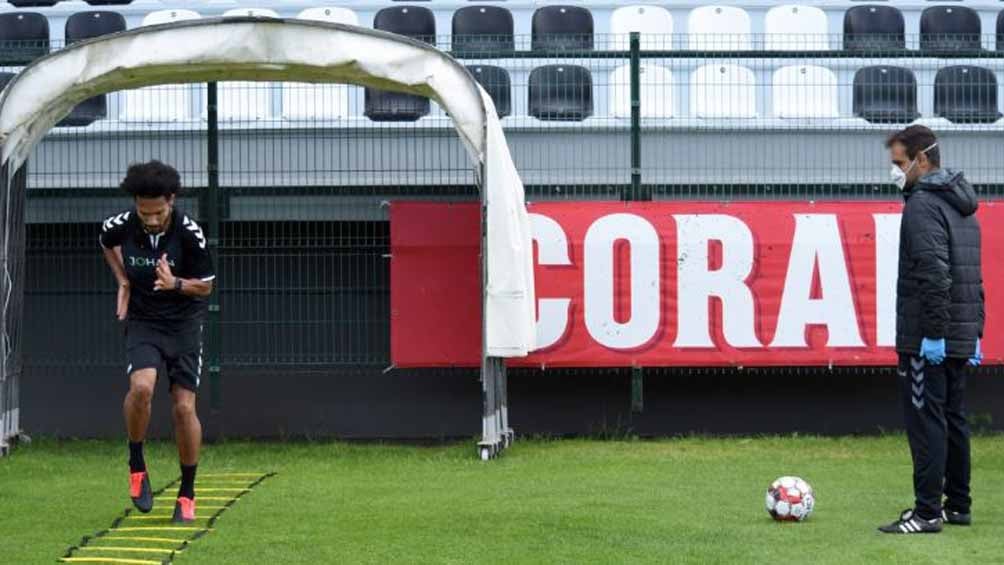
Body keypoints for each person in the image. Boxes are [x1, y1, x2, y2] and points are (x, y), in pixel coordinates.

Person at [879, 125, 984, 534]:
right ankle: (958, 505)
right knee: (954, 418)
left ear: (922, 160)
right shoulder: (961, 203)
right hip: (960, 331)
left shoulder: (923, 204)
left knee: (927, 421)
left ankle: (926, 513)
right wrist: (974, 328)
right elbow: (971, 275)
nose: (895, 172)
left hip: (929, 335)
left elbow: (936, 275)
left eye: (899, 163)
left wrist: (934, 334)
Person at [99, 160, 216, 523]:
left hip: (183, 324)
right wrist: (123, 280)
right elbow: (106, 241)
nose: (150, 219)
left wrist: (176, 284)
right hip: (144, 321)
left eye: (158, 212)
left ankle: (187, 494)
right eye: (144, 211)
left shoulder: (190, 233)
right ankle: (137, 464)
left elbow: (207, 285)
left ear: (172, 199)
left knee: (183, 408)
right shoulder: (122, 225)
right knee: (142, 390)